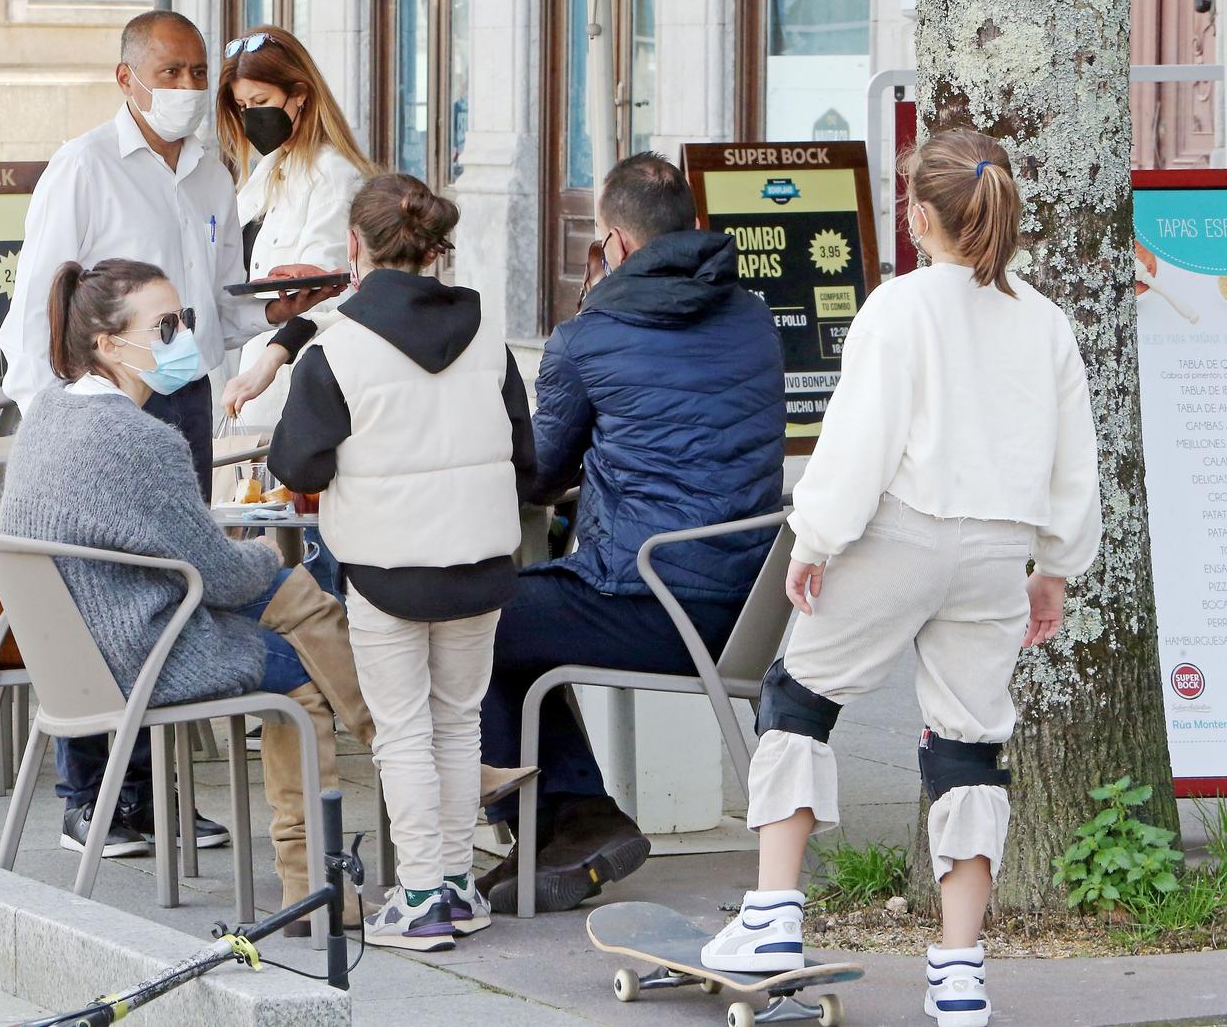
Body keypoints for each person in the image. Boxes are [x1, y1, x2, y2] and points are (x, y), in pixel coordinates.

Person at [702, 128, 1099, 1027]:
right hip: (999, 550)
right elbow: (1076, 462)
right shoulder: (1044, 321)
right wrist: (1056, 567)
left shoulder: (897, 305)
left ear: (920, 215)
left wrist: (815, 537)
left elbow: (860, 438)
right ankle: (960, 973)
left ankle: (771, 917)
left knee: (800, 694)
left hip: (904, 529)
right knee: (966, 745)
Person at [0, 9, 331, 855]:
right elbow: (39, 299)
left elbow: (218, 303)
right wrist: (60, 417)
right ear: (127, 79)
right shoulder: (85, 167)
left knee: (166, 582)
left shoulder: (215, 174)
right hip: (97, 399)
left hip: (181, 394)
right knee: (96, 582)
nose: (186, 89)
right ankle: (93, 792)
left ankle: (158, 792)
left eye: (195, 73)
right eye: (170, 73)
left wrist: (279, 307)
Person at [0, 257, 375, 930]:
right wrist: (261, 553)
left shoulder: (50, 411)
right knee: (299, 677)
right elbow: (220, 575)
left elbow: (197, 566)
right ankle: (318, 882)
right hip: (140, 649)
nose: (183, 338)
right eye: (165, 325)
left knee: (290, 596)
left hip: (78, 646)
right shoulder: (139, 439)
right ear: (108, 343)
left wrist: (256, 566)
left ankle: (399, 750)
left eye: (185, 320)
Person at [476, 153, 785, 913]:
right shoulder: (754, 316)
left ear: (611, 244)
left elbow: (540, 474)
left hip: (651, 601)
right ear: (694, 229)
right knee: (508, 622)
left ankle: (573, 817)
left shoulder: (590, 334)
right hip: (752, 604)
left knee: (469, 614)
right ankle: (570, 818)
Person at [262, 174, 536, 951]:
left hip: (387, 568)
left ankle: (418, 895)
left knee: (403, 729)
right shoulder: (489, 332)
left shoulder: (337, 347)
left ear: (355, 247)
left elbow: (300, 465)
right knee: (457, 722)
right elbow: (527, 448)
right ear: (435, 248)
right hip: (482, 560)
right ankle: (451, 884)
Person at [215, 25, 375, 429]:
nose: (252, 116)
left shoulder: (334, 176)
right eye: (243, 106)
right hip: (249, 381)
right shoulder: (266, 171)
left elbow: (329, 296)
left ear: (300, 94)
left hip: (296, 385)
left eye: (261, 101)